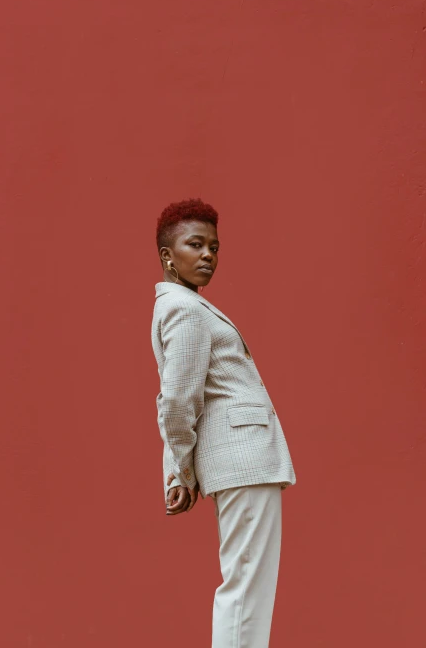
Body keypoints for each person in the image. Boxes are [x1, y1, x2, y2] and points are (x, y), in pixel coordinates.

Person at [151, 197, 297, 648]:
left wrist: (178, 470)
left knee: (247, 585)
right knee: (246, 587)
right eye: (195, 245)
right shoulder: (186, 310)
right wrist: (180, 468)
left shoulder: (187, 306)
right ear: (168, 257)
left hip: (239, 463)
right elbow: (177, 401)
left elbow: (179, 397)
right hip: (244, 461)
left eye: (214, 246)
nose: (209, 255)